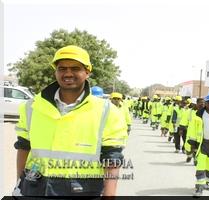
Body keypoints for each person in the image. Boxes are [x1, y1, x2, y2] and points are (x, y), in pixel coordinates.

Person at [13, 45, 128, 196]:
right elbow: (23, 148)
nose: (68, 73)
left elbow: (112, 159)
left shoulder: (107, 111)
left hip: (82, 192)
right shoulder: (32, 107)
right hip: (35, 189)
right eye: (62, 68)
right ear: (56, 72)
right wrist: (19, 185)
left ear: (87, 72)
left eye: (75, 68)